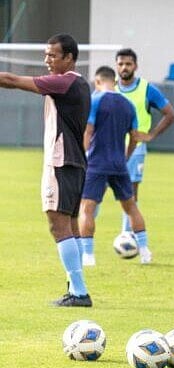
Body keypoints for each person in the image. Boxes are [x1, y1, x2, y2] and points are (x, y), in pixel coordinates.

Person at [0, 33, 92, 307]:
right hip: (75, 164)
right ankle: (76, 288)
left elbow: (11, 80)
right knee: (71, 227)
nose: (47, 60)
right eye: (46, 54)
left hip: (61, 162)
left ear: (69, 58)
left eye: (53, 55)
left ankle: (79, 292)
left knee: (57, 225)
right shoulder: (81, 84)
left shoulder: (65, 82)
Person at [79, 66, 153, 266]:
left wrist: (83, 156)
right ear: (115, 80)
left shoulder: (95, 100)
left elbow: (88, 131)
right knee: (131, 207)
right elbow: (135, 137)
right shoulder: (128, 105)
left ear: (98, 82)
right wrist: (126, 156)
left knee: (87, 207)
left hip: (97, 162)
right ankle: (145, 251)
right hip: (119, 163)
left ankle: (88, 256)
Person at [115, 48, 174, 234]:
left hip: (136, 149)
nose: (124, 67)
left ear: (136, 66)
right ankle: (85, 242)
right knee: (93, 194)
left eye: (128, 64)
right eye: (121, 64)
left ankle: (127, 234)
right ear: (116, 66)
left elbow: (170, 114)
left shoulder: (146, 89)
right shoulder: (110, 89)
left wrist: (151, 135)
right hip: (110, 148)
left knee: (130, 193)